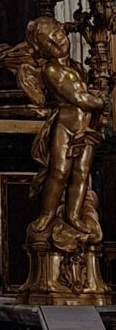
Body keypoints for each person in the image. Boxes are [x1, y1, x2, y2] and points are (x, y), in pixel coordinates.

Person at [22, 16, 104, 250]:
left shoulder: (76, 67)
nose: (58, 41)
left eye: (58, 34)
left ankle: (74, 215)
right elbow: (78, 98)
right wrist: (99, 102)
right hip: (65, 127)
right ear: (41, 48)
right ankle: (47, 214)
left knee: (81, 173)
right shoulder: (51, 69)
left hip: (86, 128)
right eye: (50, 41)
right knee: (58, 172)